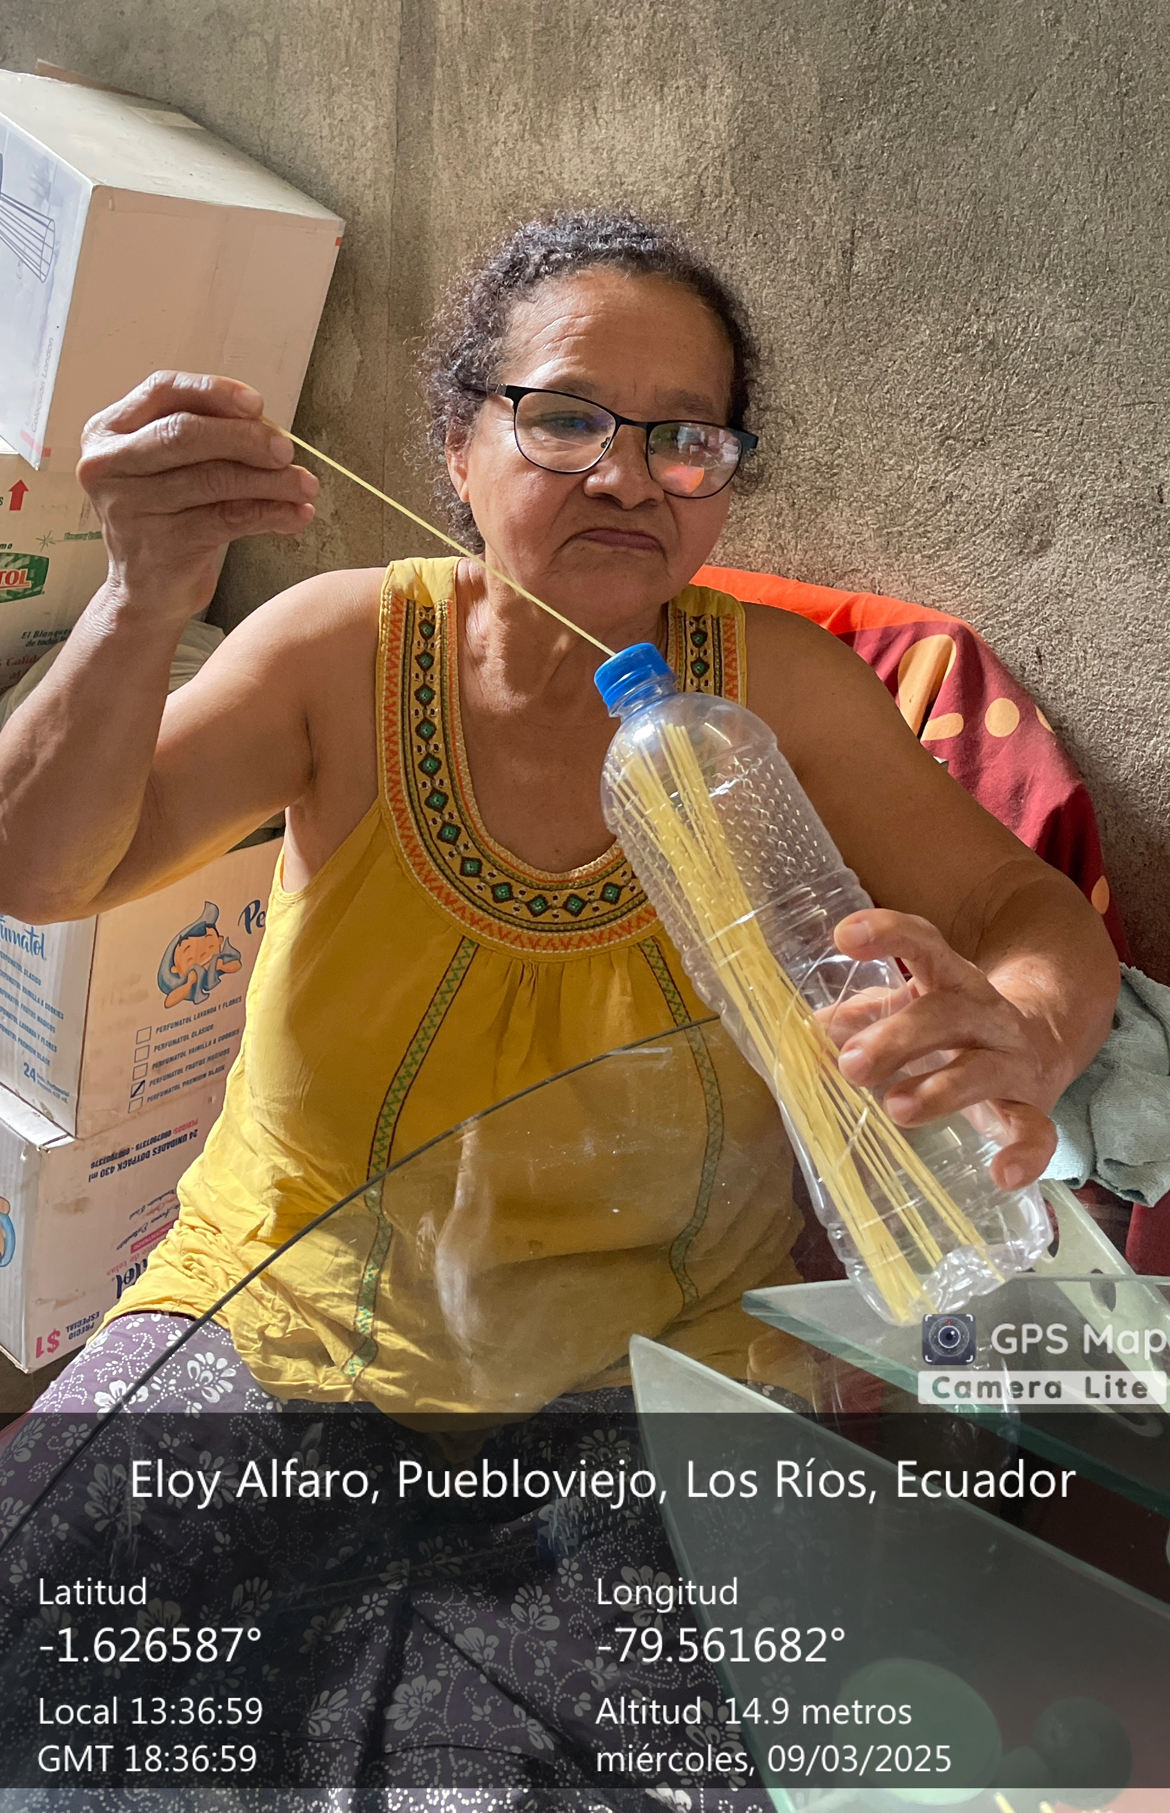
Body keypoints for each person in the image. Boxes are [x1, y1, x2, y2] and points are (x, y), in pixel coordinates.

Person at [0, 208, 1119, 1417]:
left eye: (685, 439)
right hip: (281, 1311)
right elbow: (39, 872)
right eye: (567, 420)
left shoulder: (779, 694)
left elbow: (1020, 907)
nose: (628, 478)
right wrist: (138, 598)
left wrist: (1025, 1033)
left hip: (670, 1356)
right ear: (458, 448)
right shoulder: (340, 654)